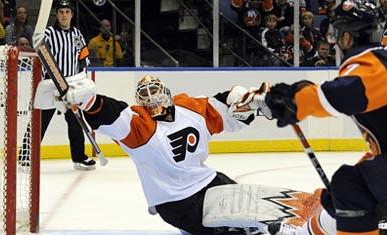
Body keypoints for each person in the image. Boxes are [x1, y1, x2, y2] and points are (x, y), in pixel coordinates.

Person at [34, 72, 280, 234]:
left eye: (155, 92)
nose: (152, 100)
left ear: (167, 92)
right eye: (146, 97)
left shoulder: (189, 107)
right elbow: (111, 113)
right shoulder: (140, 125)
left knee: (255, 214)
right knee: (236, 229)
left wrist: (247, 100)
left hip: (208, 181)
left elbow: (227, 110)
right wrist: (89, 102)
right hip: (176, 201)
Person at [264, 0, 387, 234]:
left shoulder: (375, 67)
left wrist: (294, 101)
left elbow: (346, 93)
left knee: (350, 186)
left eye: (335, 34)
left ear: (347, 38)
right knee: (349, 188)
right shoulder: (377, 62)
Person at [24, 0, 95, 170]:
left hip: (70, 86)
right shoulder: (47, 34)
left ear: (72, 14)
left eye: (67, 12)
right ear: (57, 14)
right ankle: (26, 157)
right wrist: (57, 82)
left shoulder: (77, 34)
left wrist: (77, 84)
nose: (64, 15)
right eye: (61, 11)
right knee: (40, 121)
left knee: (76, 122)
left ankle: (79, 157)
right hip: (51, 85)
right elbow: (42, 58)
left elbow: (83, 60)